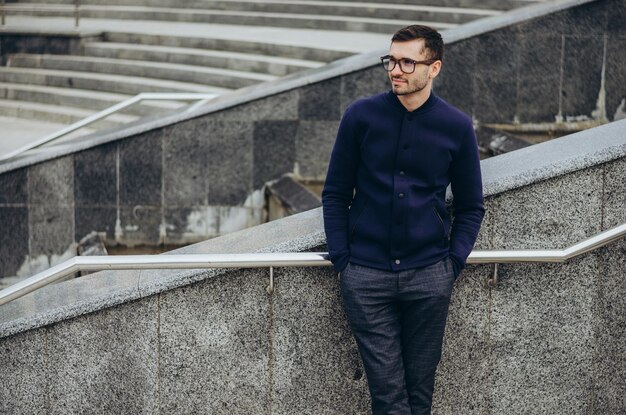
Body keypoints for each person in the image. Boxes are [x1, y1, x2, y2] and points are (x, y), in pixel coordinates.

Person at [321, 25, 484, 415]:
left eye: (408, 61)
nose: (396, 70)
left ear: (435, 67)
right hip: (366, 276)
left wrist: (452, 263)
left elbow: (471, 205)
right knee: (389, 398)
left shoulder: (456, 126)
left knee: (420, 397)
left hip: (430, 275)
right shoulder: (360, 116)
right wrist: (344, 258)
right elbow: (335, 193)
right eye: (391, 60)